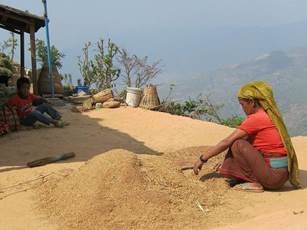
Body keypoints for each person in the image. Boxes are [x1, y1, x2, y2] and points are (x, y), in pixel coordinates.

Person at [193, 81, 300, 192]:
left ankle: (254, 182)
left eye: (243, 104)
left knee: (237, 144)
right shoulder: (269, 115)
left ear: (252, 102)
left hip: (273, 177)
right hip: (280, 176)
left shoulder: (257, 118)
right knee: (243, 140)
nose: (243, 109)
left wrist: (203, 158)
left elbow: (227, 141)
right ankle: (248, 177)